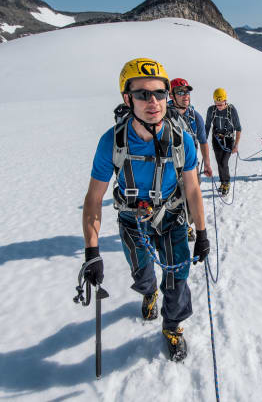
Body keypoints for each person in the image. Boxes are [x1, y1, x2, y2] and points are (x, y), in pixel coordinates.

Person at [81, 58, 210, 362]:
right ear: (128, 99)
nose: (153, 101)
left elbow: (192, 188)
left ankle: (173, 325)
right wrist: (92, 250)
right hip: (132, 219)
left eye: (159, 93)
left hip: (171, 215)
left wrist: (201, 232)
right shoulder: (111, 143)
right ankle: (148, 291)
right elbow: (93, 199)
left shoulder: (182, 140)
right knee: (142, 273)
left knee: (178, 277)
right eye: (142, 94)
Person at [168, 78, 212, 241]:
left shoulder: (195, 117)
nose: (185, 95)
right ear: (171, 95)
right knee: (170, 198)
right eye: (180, 92)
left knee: (191, 197)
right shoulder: (162, 115)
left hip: (190, 165)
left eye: (186, 92)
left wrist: (207, 162)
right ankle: (172, 226)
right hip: (169, 165)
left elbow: (202, 141)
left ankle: (186, 225)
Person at [205, 88, 242, 195]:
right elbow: (207, 126)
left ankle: (226, 183)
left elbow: (238, 128)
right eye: (217, 103)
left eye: (221, 103)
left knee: (223, 162)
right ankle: (222, 183)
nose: (219, 106)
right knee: (219, 162)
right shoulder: (211, 110)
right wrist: (204, 140)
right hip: (216, 139)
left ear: (225, 100)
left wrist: (236, 145)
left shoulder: (231, 110)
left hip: (229, 140)